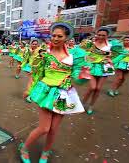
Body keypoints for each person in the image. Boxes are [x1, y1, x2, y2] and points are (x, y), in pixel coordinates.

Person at [19, 22, 90, 163]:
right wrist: (30, 90)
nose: (56, 38)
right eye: (53, 35)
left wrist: (83, 75)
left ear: (66, 38)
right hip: (45, 91)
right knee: (44, 128)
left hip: (63, 94)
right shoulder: (45, 54)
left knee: (53, 129)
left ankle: (45, 152)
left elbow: (77, 78)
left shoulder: (73, 56)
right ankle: (24, 148)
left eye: (59, 36)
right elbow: (38, 74)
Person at [80, 27, 115, 115]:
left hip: (103, 68)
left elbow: (112, 56)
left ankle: (91, 105)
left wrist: (109, 59)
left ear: (107, 36)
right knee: (92, 87)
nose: (101, 36)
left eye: (103, 35)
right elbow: (83, 54)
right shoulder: (90, 44)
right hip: (92, 67)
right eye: (99, 35)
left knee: (98, 89)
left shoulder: (109, 46)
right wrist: (87, 60)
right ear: (96, 35)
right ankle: (82, 104)